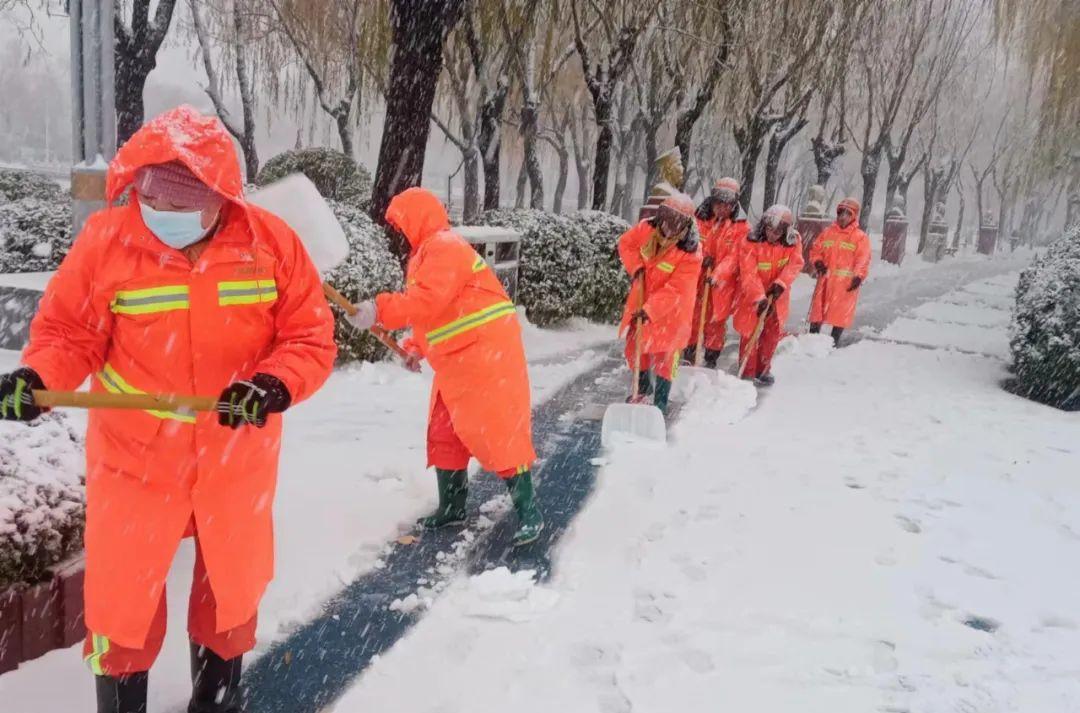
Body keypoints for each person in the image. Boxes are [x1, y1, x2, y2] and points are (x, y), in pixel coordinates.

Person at [0, 106, 337, 713]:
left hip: (236, 457)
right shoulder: (107, 240)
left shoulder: (270, 243)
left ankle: (218, 697)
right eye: (158, 204)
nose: (168, 220)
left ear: (221, 198)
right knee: (122, 604)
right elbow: (68, 334)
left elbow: (308, 337)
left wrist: (273, 384)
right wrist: (38, 377)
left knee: (229, 593)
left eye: (187, 209)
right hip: (136, 458)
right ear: (138, 189)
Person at [347, 187, 543, 547]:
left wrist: (379, 309)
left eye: (401, 222)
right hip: (456, 358)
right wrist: (414, 347)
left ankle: (529, 512)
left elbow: (427, 300)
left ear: (418, 217)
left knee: (499, 431)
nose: (399, 230)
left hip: (486, 355)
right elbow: (436, 314)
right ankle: (452, 506)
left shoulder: (445, 246)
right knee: (445, 431)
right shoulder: (425, 254)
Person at [617, 193, 702, 414]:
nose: (668, 226)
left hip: (672, 313)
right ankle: (642, 390)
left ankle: (661, 401)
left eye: (676, 222)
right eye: (666, 219)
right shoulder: (646, 229)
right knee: (636, 348)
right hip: (641, 302)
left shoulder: (691, 253)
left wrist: (651, 309)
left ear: (686, 224)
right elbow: (626, 244)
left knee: (667, 356)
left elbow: (676, 289)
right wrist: (636, 267)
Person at [733, 204, 804, 386]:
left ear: (786, 231)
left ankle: (763, 370)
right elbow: (748, 273)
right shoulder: (750, 241)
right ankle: (747, 371)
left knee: (771, 334)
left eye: (777, 231)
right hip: (752, 296)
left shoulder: (793, 242)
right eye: (769, 229)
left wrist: (780, 285)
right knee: (750, 332)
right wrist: (759, 297)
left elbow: (795, 264)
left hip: (777, 296)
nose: (772, 234)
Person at [683, 177, 749, 368]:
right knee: (693, 317)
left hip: (721, 285)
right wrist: (701, 258)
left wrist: (718, 274)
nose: (722, 208)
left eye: (727, 204)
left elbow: (735, 257)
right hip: (696, 279)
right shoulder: (697, 221)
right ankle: (689, 352)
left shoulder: (741, 228)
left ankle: (711, 357)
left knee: (715, 321)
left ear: (734, 204)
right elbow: (689, 245)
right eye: (718, 203)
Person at [808, 197, 871, 346]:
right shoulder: (827, 233)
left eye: (847, 213)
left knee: (840, 314)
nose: (843, 217)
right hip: (825, 280)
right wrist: (818, 262)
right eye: (840, 213)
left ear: (854, 216)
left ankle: (833, 342)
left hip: (845, 284)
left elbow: (863, 259)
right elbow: (816, 249)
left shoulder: (860, 238)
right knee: (818, 311)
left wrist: (858, 277)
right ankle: (811, 340)